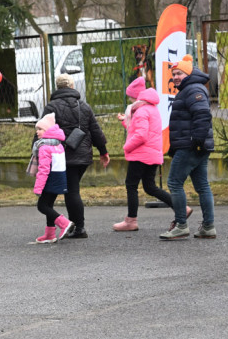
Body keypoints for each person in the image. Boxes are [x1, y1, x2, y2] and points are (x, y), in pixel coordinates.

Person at [112, 77, 187, 231]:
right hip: (152, 155)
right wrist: (124, 120)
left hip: (141, 155)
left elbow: (140, 135)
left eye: (131, 96)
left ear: (137, 96)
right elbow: (138, 128)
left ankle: (131, 221)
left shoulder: (140, 111)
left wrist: (127, 147)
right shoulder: (151, 108)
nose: (130, 99)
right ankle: (181, 208)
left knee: (131, 185)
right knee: (150, 187)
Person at [41, 73, 110, 238]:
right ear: (72, 87)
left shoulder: (51, 107)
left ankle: (76, 228)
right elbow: (96, 131)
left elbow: (41, 130)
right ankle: (77, 227)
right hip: (82, 156)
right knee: (72, 190)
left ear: (58, 87)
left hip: (60, 155)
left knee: (65, 192)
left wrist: (36, 153)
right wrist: (103, 152)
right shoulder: (84, 106)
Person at [160, 55, 216, 240]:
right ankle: (208, 227)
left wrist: (197, 142)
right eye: (174, 74)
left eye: (179, 73)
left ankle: (181, 225)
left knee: (174, 183)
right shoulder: (189, 89)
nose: (175, 77)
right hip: (195, 145)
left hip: (191, 145)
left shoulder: (192, 89)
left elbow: (202, 114)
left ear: (188, 73)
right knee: (202, 186)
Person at [28, 113, 74, 244]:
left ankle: (64, 223)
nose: (37, 132)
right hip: (59, 178)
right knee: (49, 205)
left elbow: (44, 169)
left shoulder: (44, 147)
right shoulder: (57, 144)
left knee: (42, 206)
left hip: (49, 179)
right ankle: (49, 234)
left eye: (40, 129)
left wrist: (38, 188)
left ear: (48, 130)